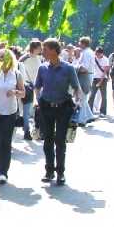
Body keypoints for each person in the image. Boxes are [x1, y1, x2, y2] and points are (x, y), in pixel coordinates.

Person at [34, 38, 81, 186]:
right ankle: (49, 171)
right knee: (47, 140)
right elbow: (37, 86)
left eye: (45, 49)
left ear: (54, 50)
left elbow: (76, 87)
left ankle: (60, 172)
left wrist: (77, 100)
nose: (43, 52)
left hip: (63, 107)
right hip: (46, 107)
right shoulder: (42, 68)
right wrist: (37, 100)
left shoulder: (68, 68)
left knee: (60, 141)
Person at [0, 49, 25, 184]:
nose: (4, 60)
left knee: (6, 142)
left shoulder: (16, 74)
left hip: (9, 112)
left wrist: (14, 92)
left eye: (7, 58)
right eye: (1, 58)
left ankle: (4, 171)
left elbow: (23, 93)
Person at [19, 40, 42, 140]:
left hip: (36, 87)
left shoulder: (38, 58)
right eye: (39, 48)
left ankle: (35, 130)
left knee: (33, 110)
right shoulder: (25, 58)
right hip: (27, 86)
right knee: (27, 110)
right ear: (35, 48)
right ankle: (26, 130)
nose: (41, 49)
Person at [75, 37, 96, 125]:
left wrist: (74, 68)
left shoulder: (86, 53)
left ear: (83, 44)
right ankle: (90, 116)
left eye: (80, 43)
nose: (78, 44)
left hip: (85, 76)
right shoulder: (87, 52)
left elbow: (84, 68)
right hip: (86, 75)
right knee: (83, 97)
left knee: (82, 98)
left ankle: (82, 120)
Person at [88, 46, 110, 116]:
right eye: (96, 53)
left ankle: (103, 112)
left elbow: (105, 71)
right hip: (95, 78)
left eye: (98, 53)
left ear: (101, 53)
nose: (96, 54)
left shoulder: (106, 59)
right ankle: (89, 111)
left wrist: (101, 81)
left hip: (103, 79)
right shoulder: (94, 58)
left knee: (104, 96)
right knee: (92, 95)